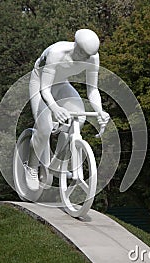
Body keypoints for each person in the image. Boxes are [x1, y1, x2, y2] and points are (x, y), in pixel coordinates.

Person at [24, 29, 110, 190]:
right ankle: (31, 167)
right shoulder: (57, 53)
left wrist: (99, 110)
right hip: (41, 84)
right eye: (83, 53)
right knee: (44, 128)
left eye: (88, 56)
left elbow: (92, 90)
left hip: (62, 83)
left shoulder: (93, 58)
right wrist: (55, 108)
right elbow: (45, 89)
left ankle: (57, 162)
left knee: (79, 120)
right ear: (76, 46)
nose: (85, 58)